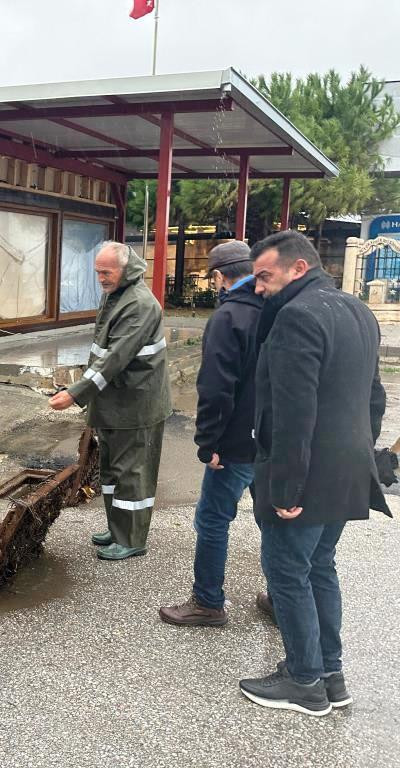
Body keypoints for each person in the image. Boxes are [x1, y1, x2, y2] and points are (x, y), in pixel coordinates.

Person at [238, 230, 391, 716]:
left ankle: (304, 681)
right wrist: (362, 455)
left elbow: (292, 414)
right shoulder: (357, 310)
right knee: (319, 568)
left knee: (287, 572)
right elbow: (375, 399)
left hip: (305, 476)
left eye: (264, 276)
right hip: (347, 471)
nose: (258, 287)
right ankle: (331, 674)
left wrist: (286, 486)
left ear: (298, 269)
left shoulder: (297, 316)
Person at [160, 241, 262, 626]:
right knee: (272, 520)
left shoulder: (230, 316)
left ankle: (207, 601)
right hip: (273, 439)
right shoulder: (280, 310)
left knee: (213, 519)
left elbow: (217, 387)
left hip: (235, 443)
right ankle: (280, 594)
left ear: (220, 276)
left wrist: (208, 443)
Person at [50, 242, 171, 560]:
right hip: (116, 400)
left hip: (137, 403)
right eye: (98, 272)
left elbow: (115, 358)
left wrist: (76, 393)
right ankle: (117, 528)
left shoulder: (139, 304)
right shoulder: (116, 294)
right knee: (113, 469)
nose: (101, 278)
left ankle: (131, 538)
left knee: (132, 473)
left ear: (124, 269)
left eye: (107, 272)